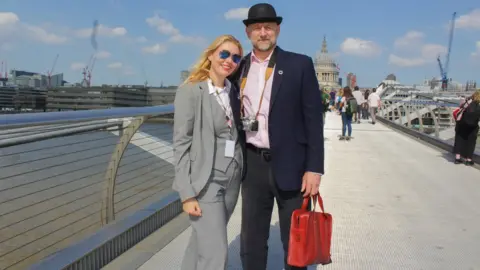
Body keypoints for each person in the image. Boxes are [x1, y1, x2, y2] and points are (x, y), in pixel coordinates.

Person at [228, 3, 325, 270]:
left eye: (268, 28)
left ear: (277, 30)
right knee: (252, 240)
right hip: (253, 164)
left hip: (292, 164)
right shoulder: (238, 67)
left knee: (295, 239)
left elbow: (313, 120)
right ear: (248, 32)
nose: (263, 33)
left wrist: (314, 168)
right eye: (257, 28)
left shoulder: (299, 64)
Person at [172, 34, 246, 270]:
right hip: (206, 182)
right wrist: (187, 194)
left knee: (202, 243)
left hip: (232, 178)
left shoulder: (233, 91)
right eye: (224, 54)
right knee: (216, 254)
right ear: (211, 55)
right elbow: (181, 143)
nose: (229, 60)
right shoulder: (192, 91)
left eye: (235, 57)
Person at [453, 90, 480, 166]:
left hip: (462, 123)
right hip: (473, 126)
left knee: (459, 139)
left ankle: (457, 158)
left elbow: (461, 107)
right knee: (471, 142)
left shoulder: (468, 101)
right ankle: (469, 160)